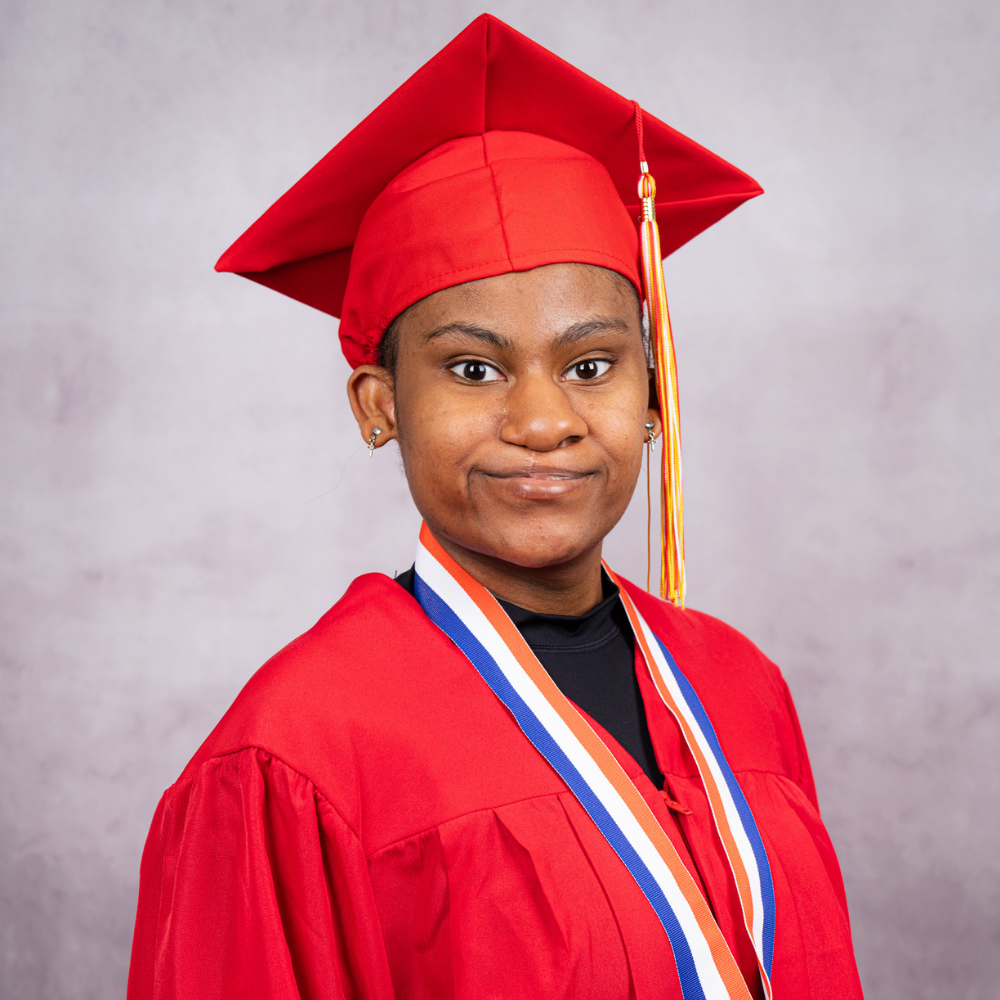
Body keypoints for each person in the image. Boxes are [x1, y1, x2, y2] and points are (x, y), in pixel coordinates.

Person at [127, 14, 864, 1000]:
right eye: (473, 369)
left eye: (591, 365)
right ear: (380, 406)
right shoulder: (296, 754)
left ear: (654, 397)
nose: (544, 421)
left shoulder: (739, 686)